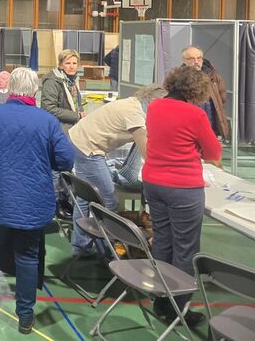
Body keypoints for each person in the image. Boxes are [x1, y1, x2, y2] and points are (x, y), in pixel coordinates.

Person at [0, 67, 75, 334]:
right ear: (35, 91)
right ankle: (25, 316)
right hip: (33, 201)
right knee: (27, 256)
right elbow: (66, 159)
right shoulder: (47, 121)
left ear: (11, 88)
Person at [143, 65, 222, 327]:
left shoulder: (155, 106)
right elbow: (213, 152)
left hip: (153, 182)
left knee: (163, 241)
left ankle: (161, 299)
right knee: (186, 250)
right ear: (197, 89)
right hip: (183, 189)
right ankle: (181, 309)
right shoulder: (195, 114)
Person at [67, 85, 166, 257]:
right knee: (109, 202)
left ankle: (81, 247)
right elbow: (147, 152)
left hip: (79, 141)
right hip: (88, 149)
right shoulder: (135, 114)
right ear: (154, 102)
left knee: (84, 198)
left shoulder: (133, 104)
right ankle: (109, 252)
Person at [182, 45, 229, 140]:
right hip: (189, 129)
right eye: (191, 59)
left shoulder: (213, 76)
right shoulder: (178, 78)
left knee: (212, 153)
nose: (196, 62)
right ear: (184, 60)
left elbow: (222, 98)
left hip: (211, 125)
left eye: (199, 58)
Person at [41, 49, 85, 133]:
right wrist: (76, 115)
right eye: (68, 63)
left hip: (72, 125)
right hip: (57, 129)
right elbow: (48, 109)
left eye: (74, 63)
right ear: (60, 65)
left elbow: (77, 104)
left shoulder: (72, 80)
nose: (72, 66)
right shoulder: (52, 81)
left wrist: (81, 114)